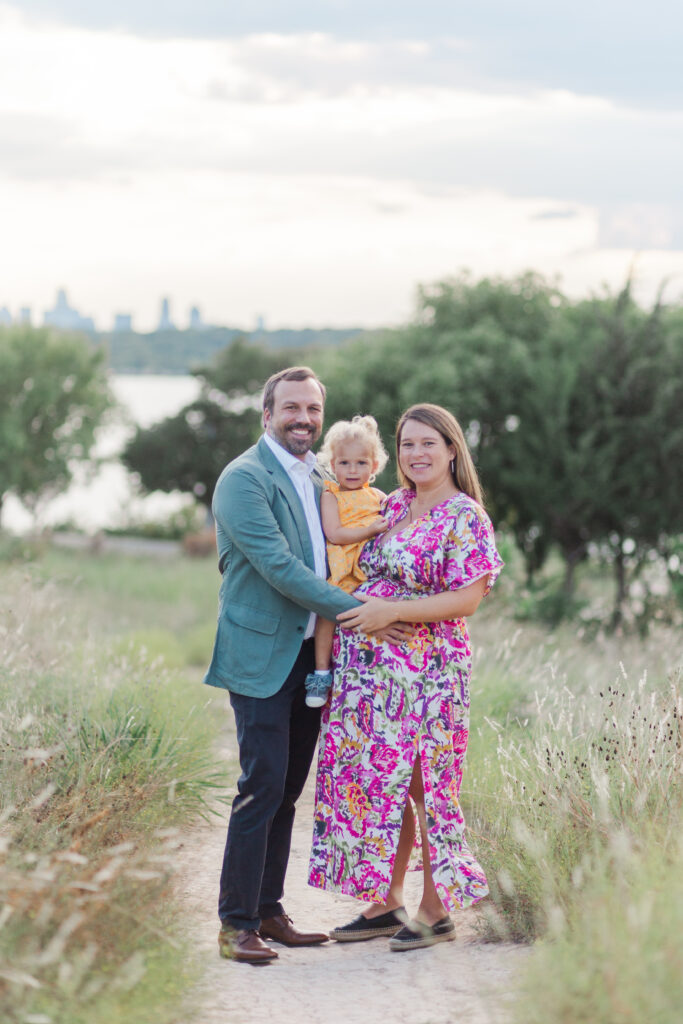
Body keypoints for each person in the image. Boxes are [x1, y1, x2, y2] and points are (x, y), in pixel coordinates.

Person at [203, 366, 409, 965]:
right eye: (291, 407)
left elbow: (342, 543)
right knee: (261, 784)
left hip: (314, 653)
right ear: (267, 414)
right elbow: (281, 569)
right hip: (261, 652)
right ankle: (235, 923)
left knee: (289, 789)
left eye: (313, 410)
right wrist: (365, 611)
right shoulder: (243, 479)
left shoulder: (321, 472)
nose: (303, 418)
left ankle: (269, 910)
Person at [308, 403, 503, 951]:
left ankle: (436, 909)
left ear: (450, 450)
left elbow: (468, 598)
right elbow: (356, 568)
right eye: (407, 445)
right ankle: (387, 898)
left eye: (428, 444)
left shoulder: (465, 516)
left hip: (430, 672)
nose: (416, 455)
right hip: (372, 677)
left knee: (425, 782)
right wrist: (367, 610)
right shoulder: (393, 506)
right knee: (380, 782)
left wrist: (392, 613)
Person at [303, 415, 390, 709]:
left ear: (374, 466)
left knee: (375, 618)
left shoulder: (379, 496)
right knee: (327, 613)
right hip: (342, 567)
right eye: (344, 463)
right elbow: (335, 534)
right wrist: (370, 529)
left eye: (361, 463)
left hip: (371, 572)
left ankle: (372, 673)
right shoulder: (331, 494)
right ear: (332, 464)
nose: (352, 470)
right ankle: (321, 673)